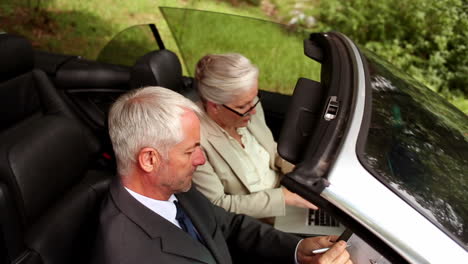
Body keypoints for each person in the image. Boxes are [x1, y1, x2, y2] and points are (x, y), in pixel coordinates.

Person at [92, 86, 352, 264]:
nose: (201, 159)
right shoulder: (127, 253)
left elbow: (229, 225)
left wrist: (297, 250)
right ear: (150, 159)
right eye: (190, 151)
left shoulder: (171, 188)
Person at [193, 53, 317, 219]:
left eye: (254, 99)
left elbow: (272, 151)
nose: (253, 110)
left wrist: (301, 176)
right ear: (214, 106)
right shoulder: (194, 140)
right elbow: (218, 204)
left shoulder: (250, 107)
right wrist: (284, 198)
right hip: (256, 219)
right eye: (243, 105)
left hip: (288, 191)